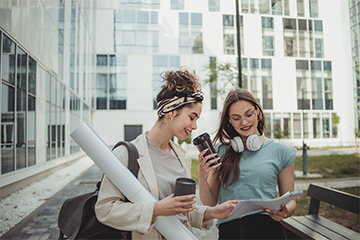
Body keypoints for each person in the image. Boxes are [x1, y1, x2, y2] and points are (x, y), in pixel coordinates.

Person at [95, 69, 239, 240]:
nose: (194, 126)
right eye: (192, 117)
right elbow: (105, 210)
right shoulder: (125, 154)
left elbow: (181, 211)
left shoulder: (181, 157)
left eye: (197, 120)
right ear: (171, 111)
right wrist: (156, 209)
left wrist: (212, 212)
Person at [198, 88, 297, 240]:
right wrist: (202, 178)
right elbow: (211, 204)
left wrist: (285, 211)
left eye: (249, 114)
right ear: (229, 121)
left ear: (257, 111)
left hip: (267, 229)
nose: (244, 122)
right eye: (236, 118)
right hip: (230, 231)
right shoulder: (219, 151)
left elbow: (290, 201)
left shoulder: (282, 152)